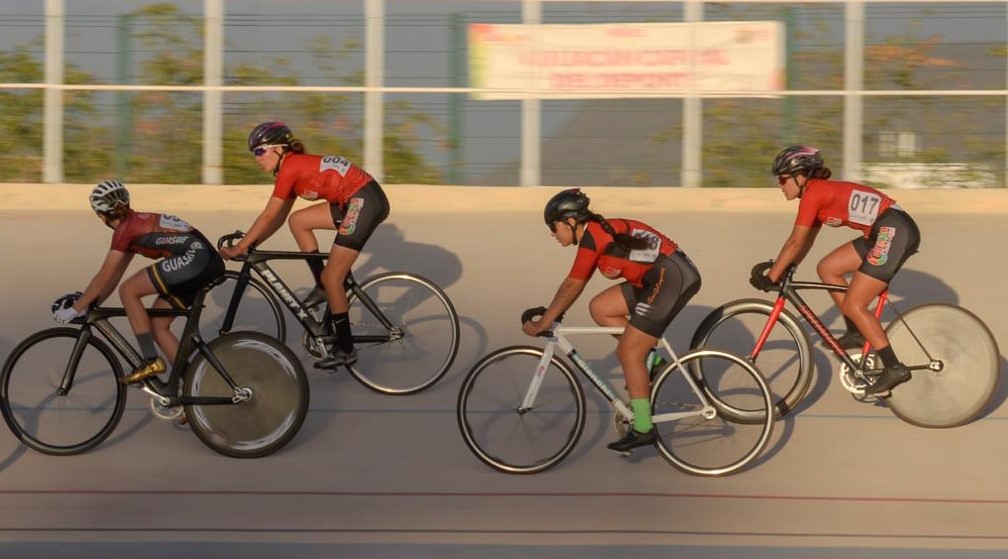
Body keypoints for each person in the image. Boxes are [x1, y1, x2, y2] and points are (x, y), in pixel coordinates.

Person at [521, 188, 702, 452]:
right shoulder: (593, 235)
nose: (552, 233)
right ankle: (653, 364)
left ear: (570, 222)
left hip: (672, 278)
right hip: (654, 279)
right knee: (601, 308)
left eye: (553, 226)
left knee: (628, 353)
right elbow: (574, 287)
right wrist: (552, 313)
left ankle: (643, 427)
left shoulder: (594, 237)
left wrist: (544, 323)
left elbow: (572, 285)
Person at [218, 121, 390, 368]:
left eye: (260, 151)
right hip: (356, 200)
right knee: (298, 221)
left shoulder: (290, 168)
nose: (256, 158)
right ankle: (322, 286)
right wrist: (252, 243)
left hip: (364, 201)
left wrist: (240, 247)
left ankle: (346, 348)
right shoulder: (290, 168)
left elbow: (268, 215)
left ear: (278, 149)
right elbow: (278, 219)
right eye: (254, 153)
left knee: (333, 278)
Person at [753, 145, 921, 396]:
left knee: (855, 304)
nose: (780, 185)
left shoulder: (814, 193)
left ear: (801, 176)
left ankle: (894, 367)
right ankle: (855, 332)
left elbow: (795, 242)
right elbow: (806, 241)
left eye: (783, 178)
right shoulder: (815, 193)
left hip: (893, 230)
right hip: (882, 230)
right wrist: (788, 267)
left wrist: (772, 275)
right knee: (828, 268)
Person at [53, 180, 225, 384]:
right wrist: (92, 304)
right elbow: (114, 275)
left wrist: (75, 308)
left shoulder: (125, 231)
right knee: (157, 325)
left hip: (196, 260)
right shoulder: (133, 223)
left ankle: (151, 361)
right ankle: (192, 386)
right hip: (203, 263)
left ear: (101, 215)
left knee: (129, 290)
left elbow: (103, 276)